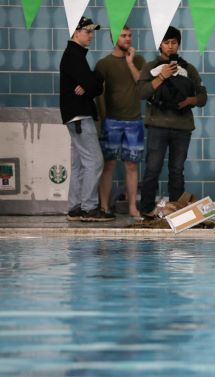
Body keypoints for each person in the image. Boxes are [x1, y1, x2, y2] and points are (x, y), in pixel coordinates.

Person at [137, 26, 207, 217]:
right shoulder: (150, 67)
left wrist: (189, 101)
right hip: (157, 125)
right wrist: (161, 76)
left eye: (174, 42)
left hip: (181, 127)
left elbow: (202, 96)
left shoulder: (188, 68)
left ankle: (177, 211)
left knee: (177, 170)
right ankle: (146, 211)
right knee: (152, 168)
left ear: (179, 44)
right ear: (160, 44)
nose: (170, 46)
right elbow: (141, 93)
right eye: (166, 42)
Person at [59, 16, 114, 222]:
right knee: (94, 161)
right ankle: (90, 207)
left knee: (80, 164)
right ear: (76, 32)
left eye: (92, 32)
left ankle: (74, 207)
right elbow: (94, 86)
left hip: (75, 116)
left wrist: (90, 82)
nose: (91, 36)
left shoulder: (75, 55)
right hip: (80, 115)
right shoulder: (74, 55)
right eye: (87, 31)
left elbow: (90, 85)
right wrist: (95, 80)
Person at [95, 26, 146, 219]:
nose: (128, 39)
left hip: (134, 121)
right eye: (124, 36)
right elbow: (99, 94)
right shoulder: (104, 64)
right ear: (115, 38)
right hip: (112, 121)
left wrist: (130, 62)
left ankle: (133, 207)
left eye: (130, 36)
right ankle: (104, 207)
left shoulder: (138, 60)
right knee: (108, 164)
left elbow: (142, 85)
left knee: (132, 165)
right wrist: (103, 118)